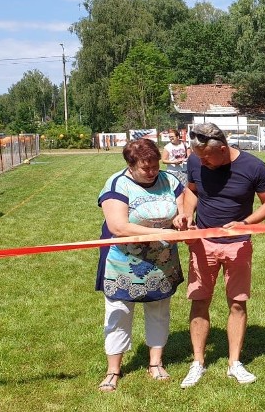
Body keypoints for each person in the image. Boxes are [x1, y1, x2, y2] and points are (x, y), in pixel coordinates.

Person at [177, 122, 265, 387]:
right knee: (199, 301)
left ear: (223, 149)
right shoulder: (196, 160)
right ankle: (198, 362)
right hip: (203, 243)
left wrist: (246, 224)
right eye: (199, 158)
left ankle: (234, 363)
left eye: (208, 158)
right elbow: (191, 191)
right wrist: (186, 214)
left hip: (238, 243)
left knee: (237, 302)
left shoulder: (254, 167)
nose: (203, 164)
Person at [95, 138, 185, 392]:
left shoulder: (170, 181)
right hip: (123, 262)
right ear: (130, 165)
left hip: (162, 262)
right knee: (118, 313)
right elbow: (118, 226)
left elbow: (183, 205)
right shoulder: (117, 184)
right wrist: (162, 233)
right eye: (146, 168)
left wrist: (181, 219)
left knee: (159, 310)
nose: (152, 171)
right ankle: (113, 370)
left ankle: (155, 364)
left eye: (155, 165)